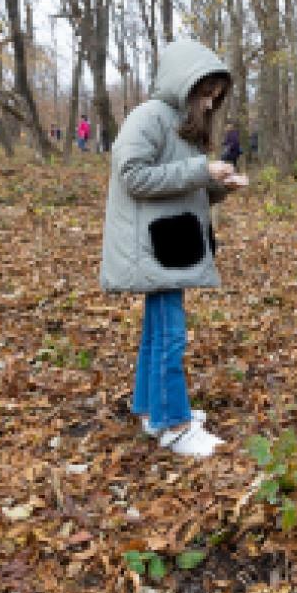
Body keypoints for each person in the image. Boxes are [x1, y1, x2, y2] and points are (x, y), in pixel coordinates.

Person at [99, 39, 245, 458]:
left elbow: (186, 190)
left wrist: (220, 185)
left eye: (215, 95)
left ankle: (151, 408)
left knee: (156, 331)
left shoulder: (183, 125)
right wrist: (201, 169)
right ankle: (174, 424)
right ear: (184, 82)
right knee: (170, 335)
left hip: (173, 242)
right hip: (153, 245)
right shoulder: (149, 118)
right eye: (204, 92)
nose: (208, 101)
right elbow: (134, 176)